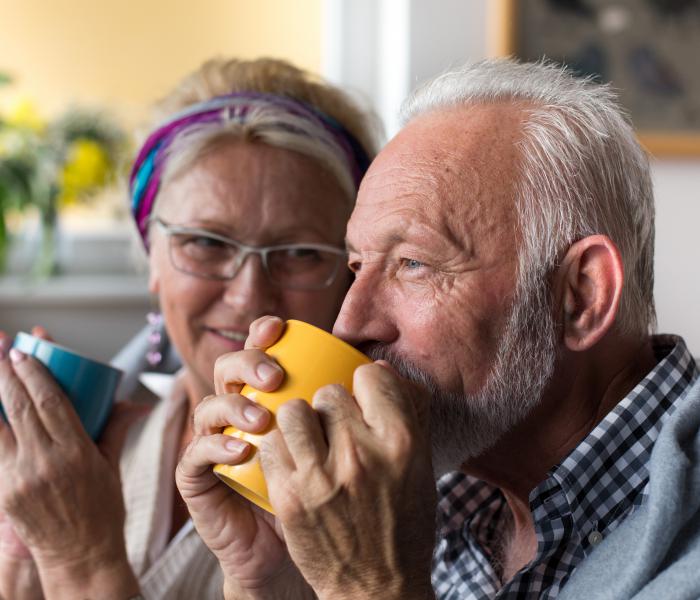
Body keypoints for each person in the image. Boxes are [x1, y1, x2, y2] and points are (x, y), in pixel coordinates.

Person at [176, 58, 700, 599]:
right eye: (357, 266)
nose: (348, 324)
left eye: (414, 265)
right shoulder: (452, 501)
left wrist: (370, 583)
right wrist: (282, 580)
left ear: (581, 296)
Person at [0, 57, 380, 599]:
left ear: (349, 272)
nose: (249, 294)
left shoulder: (372, 501)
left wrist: (77, 556)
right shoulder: (94, 453)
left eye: (298, 252)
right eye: (206, 242)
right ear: (150, 256)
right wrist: (19, 551)